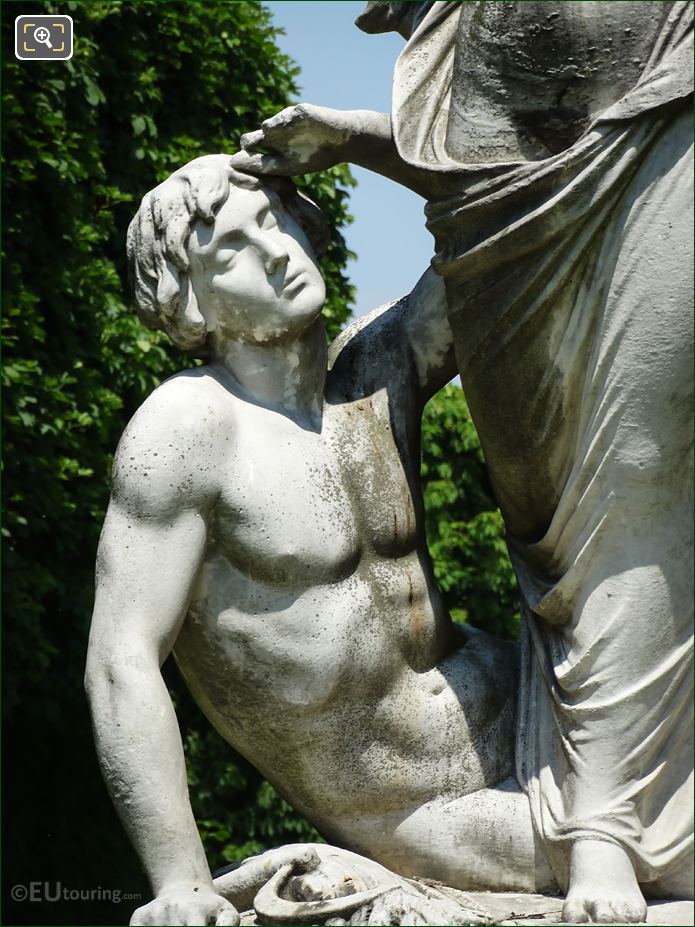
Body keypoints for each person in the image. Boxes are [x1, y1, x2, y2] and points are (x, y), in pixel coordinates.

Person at [230, 2, 694, 923]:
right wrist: (359, 134)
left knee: (638, 485)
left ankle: (605, 825)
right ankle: (613, 820)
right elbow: (482, 178)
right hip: (518, 250)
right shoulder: (206, 431)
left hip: (670, 124)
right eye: (230, 243)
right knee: (598, 518)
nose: (277, 257)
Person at [85, 155, 554, 927]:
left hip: (534, 702)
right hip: (422, 806)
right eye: (232, 248)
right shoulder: (189, 429)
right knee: (654, 844)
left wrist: (354, 141)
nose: (274, 250)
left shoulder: (373, 367)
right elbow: (120, 658)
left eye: (274, 220)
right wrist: (180, 879)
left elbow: (495, 221)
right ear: (189, 301)